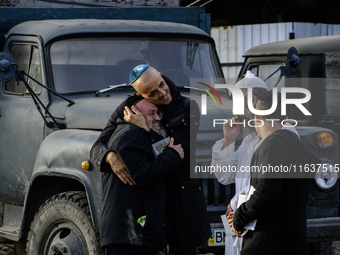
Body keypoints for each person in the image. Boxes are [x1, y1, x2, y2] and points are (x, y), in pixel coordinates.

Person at [90, 64, 211, 254]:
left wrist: (145, 129)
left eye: (161, 84)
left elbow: (178, 151)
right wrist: (109, 156)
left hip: (180, 197)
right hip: (149, 203)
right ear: (141, 96)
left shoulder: (188, 107)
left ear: (162, 76)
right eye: (152, 93)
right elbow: (97, 147)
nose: (162, 93)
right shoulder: (129, 107)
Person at [211, 71, 299, 255]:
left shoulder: (279, 137)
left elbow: (267, 189)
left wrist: (238, 211)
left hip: (261, 228)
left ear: (253, 101)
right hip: (242, 224)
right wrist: (229, 140)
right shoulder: (249, 139)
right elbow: (225, 177)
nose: (234, 109)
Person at [232, 91, 318, 255]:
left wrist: (240, 216)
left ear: (257, 115)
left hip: (267, 244)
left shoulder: (272, 145)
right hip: (293, 243)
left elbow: (266, 191)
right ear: (284, 118)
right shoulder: (295, 144)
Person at [100, 95, 184, 254]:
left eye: (158, 113)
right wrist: (173, 155)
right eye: (151, 113)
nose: (157, 117)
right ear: (133, 114)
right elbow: (142, 173)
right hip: (127, 236)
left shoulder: (140, 135)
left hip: (135, 235)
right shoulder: (128, 135)